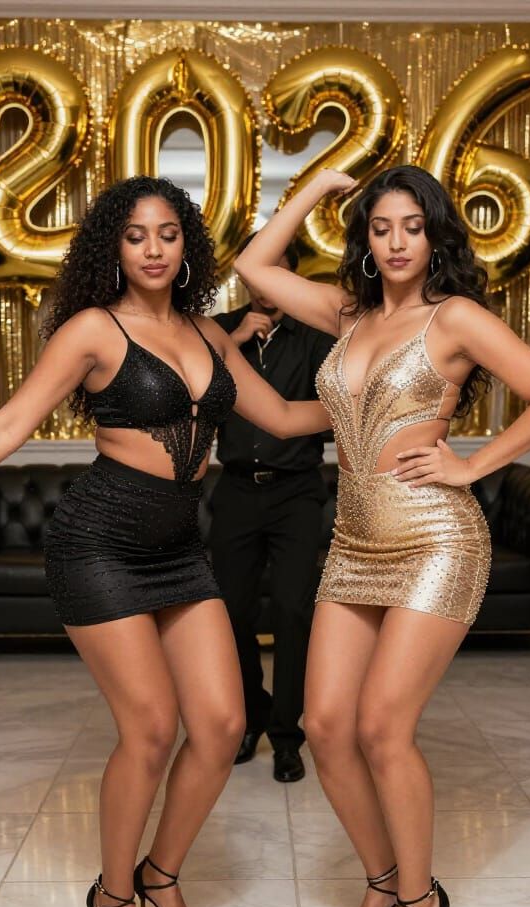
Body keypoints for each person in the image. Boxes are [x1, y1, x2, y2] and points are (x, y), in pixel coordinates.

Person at [0, 176, 334, 907]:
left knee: (219, 727)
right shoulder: (92, 331)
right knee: (149, 730)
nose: (152, 249)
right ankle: (113, 897)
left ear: (188, 246)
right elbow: (6, 424)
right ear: (113, 244)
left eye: (167, 234)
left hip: (180, 549)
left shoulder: (212, 334)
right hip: (98, 544)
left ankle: (161, 877)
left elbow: (282, 417)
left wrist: (388, 396)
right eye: (135, 235)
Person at [235, 165, 530, 907]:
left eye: (411, 228)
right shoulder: (346, 312)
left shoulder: (454, 317)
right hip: (353, 541)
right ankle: (383, 881)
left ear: (435, 237)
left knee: (384, 726)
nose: (395, 242)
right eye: (381, 227)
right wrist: (317, 186)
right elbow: (253, 269)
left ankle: (420, 901)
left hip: (434, 538)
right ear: (366, 237)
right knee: (324, 726)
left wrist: (474, 465)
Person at [211, 237, 335, 783]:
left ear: (292, 276)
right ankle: (251, 716)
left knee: (292, 610)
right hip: (235, 489)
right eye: (254, 277)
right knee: (229, 614)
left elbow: (338, 407)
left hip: (297, 491)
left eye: (275, 274)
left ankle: (288, 736)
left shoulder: (317, 337)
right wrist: (230, 344)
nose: (262, 287)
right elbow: (185, 396)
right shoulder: (218, 330)